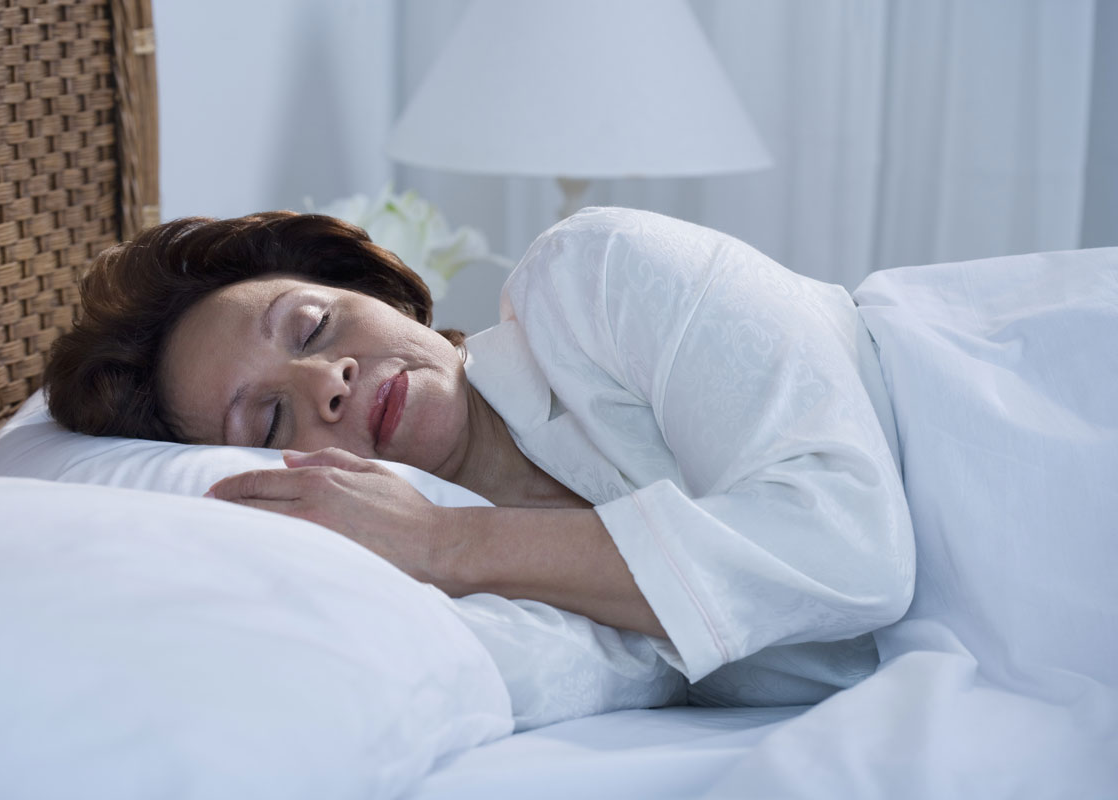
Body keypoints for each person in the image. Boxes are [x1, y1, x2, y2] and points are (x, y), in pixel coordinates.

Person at [46, 206, 915, 706]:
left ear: (376, 293)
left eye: (312, 325)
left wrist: (448, 543)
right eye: (270, 422)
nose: (328, 382)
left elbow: (848, 548)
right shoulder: (447, 589)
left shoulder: (592, 278)